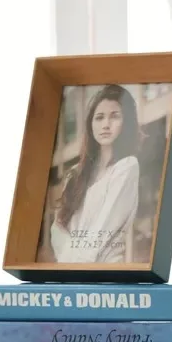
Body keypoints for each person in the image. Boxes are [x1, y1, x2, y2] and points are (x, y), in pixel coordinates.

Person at [42, 84, 140, 264]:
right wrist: (71, 266)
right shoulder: (75, 174)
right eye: (99, 117)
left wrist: (75, 262)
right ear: (91, 124)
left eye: (115, 116)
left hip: (105, 272)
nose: (106, 125)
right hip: (70, 272)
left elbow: (104, 229)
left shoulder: (126, 167)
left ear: (126, 122)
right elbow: (57, 230)